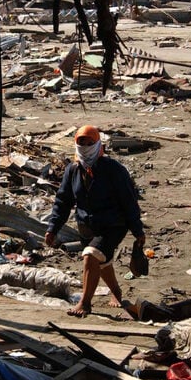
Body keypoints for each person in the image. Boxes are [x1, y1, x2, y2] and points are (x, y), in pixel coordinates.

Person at [44, 125, 145, 317]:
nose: (85, 147)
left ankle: (85, 303)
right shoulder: (73, 170)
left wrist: (138, 231)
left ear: (98, 143)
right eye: (81, 143)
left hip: (113, 224)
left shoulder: (114, 170)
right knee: (101, 262)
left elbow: (128, 201)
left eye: (90, 143)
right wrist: (53, 228)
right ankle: (116, 292)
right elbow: (63, 201)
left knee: (91, 256)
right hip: (87, 226)